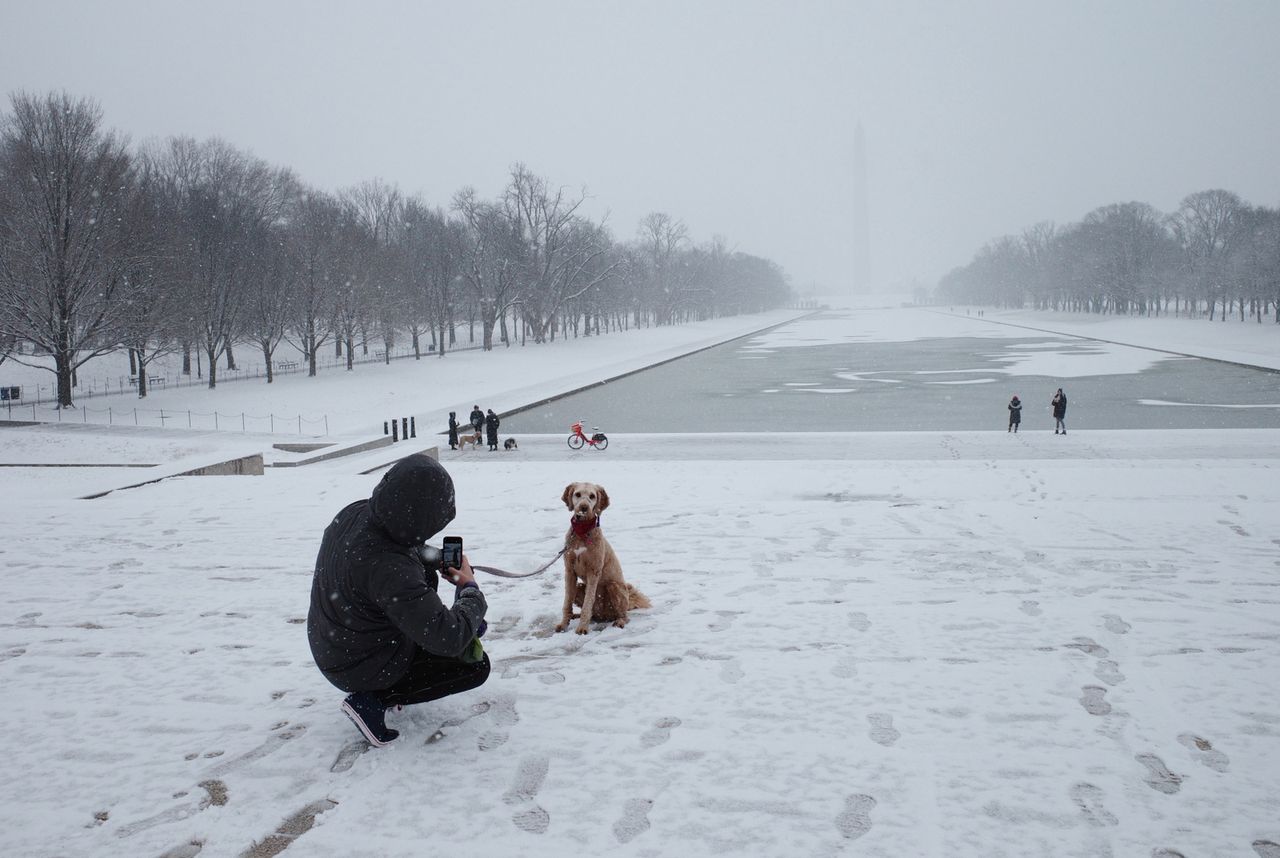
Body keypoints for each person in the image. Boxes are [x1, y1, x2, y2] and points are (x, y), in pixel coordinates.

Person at [307, 453, 489, 746]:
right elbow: (449, 637)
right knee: (473, 664)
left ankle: (381, 683)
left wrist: (436, 559)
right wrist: (470, 590)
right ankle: (373, 700)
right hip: (355, 664)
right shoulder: (391, 570)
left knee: (456, 626)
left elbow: (395, 549)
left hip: (332, 639)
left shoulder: (356, 512)